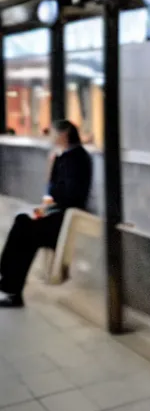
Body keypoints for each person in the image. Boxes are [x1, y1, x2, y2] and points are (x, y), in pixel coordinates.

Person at [0, 120, 92, 308]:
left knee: (26, 230)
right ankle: (7, 279)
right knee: (22, 221)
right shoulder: (65, 157)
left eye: (53, 134)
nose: (50, 138)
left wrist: (51, 194)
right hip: (58, 214)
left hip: (65, 219)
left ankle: (10, 287)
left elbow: (68, 194)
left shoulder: (76, 159)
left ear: (64, 135)